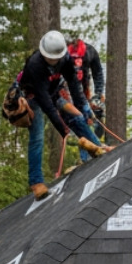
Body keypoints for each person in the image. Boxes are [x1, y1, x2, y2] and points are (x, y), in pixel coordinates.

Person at [23, 31, 107, 200]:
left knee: (78, 118)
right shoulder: (35, 64)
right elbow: (45, 103)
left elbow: (74, 86)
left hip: (53, 92)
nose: (53, 61)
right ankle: (36, 182)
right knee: (37, 136)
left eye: (56, 58)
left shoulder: (65, 59)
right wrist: (63, 130)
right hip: (33, 96)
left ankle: (99, 148)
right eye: (50, 58)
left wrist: (84, 107)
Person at [56, 35, 106, 161]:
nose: (77, 63)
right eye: (73, 59)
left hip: (83, 90)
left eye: (79, 59)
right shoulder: (61, 56)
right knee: (77, 121)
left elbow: (98, 73)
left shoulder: (90, 52)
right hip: (64, 90)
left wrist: (98, 94)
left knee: (94, 117)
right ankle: (88, 156)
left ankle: (91, 152)